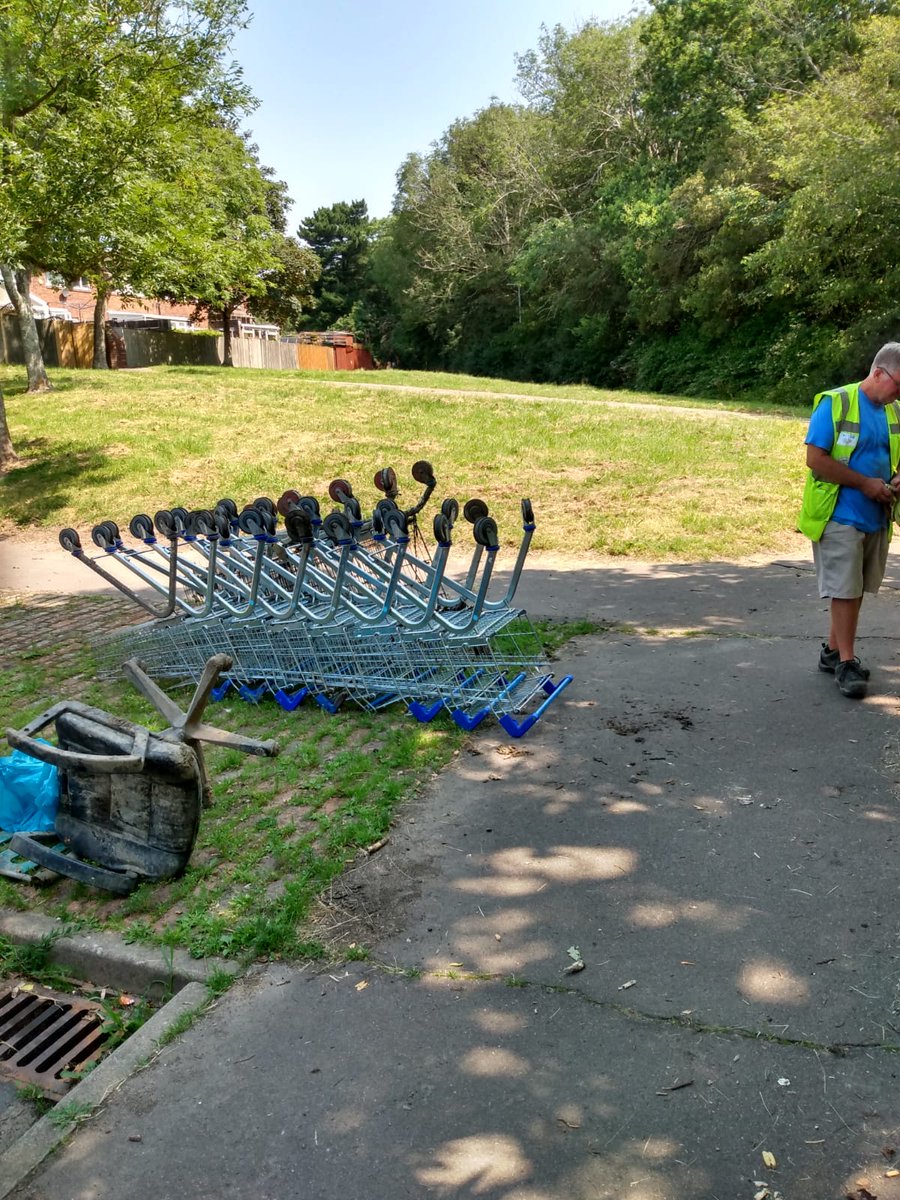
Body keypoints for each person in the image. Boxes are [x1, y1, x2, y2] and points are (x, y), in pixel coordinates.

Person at [798, 343, 900, 698]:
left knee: (854, 586)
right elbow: (816, 459)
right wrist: (864, 484)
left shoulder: (894, 410)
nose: (899, 393)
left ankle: (831, 652)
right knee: (845, 588)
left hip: (876, 515)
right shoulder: (836, 402)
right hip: (839, 512)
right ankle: (846, 662)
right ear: (878, 373)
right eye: (898, 384)